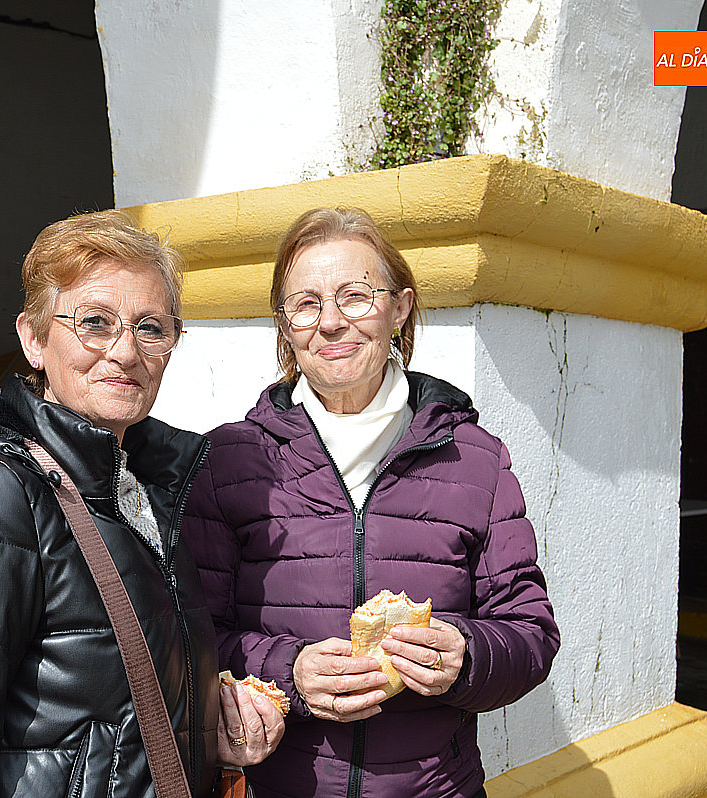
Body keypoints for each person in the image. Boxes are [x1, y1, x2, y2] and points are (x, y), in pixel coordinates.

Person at [0, 210, 285, 798]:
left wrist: (202, 734)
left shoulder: (147, 484)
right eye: (95, 323)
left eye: (151, 328)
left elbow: (106, 706)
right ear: (34, 339)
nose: (126, 352)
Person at [181, 207, 560, 798]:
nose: (331, 323)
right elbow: (192, 637)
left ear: (400, 309)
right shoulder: (228, 461)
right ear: (285, 324)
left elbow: (530, 634)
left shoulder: (475, 460)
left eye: (355, 297)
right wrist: (288, 673)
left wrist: (465, 656)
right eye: (306, 304)